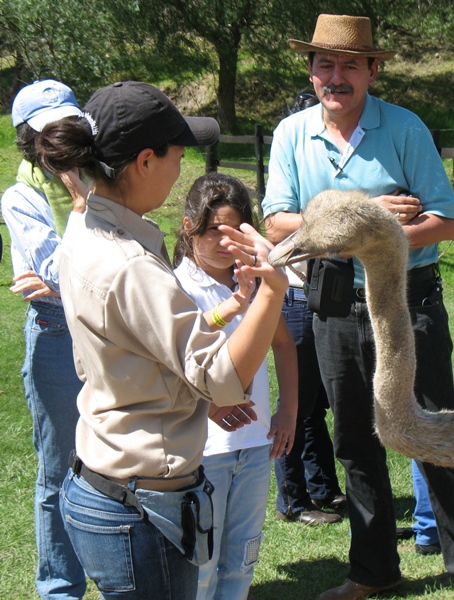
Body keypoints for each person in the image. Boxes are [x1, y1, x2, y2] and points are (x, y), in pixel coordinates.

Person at [262, 14, 454, 600]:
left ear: (372, 69)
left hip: (406, 306)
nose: (336, 76)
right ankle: (372, 571)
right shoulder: (291, 134)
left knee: (437, 430)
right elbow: (277, 221)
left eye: (350, 64)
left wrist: (368, 231)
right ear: (311, 70)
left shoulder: (405, 128)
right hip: (334, 308)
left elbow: (445, 222)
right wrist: (369, 219)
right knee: (354, 439)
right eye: (326, 64)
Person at [36, 81, 289, 600]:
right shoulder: (129, 265)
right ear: (145, 161)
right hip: (141, 509)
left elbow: (145, 346)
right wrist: (271, 289)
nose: (182, 171)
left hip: (106, 483)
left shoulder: (86, 226)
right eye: (178, 155)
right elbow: (226, 379)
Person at [172, 172, 298, 599]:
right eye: (213, 232)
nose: (225, 245)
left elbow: (284, 344)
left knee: (242, 559)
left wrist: (288, 410)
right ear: (189, 227)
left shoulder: (255, 280)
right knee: (201, 566)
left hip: (255, 445)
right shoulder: (176, 286)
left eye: (234, 232)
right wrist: (233, 306)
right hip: (202, 451)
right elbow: (177, 354)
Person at [1, 79, 87, 600]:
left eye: (68, 126)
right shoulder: (21, 196)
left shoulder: (101, 178)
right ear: (29, 140)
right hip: (57, 333)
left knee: (114, 463)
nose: (60, 140)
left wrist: (63, 275)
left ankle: (118, 574)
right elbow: (54, 265)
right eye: (48, 132)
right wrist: (83, 210)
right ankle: (60, 590)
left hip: (108, 329)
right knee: (59, 473)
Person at [274, 88, 346, 526]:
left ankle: (324, 489)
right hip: (298, 297)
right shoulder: (292, 179)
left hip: (326, 299)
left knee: (315, 403)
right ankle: (293, 499)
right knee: (296, 403)